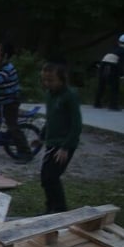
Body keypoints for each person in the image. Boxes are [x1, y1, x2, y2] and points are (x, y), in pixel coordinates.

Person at [40, 60, 83, 213]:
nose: (47, 83)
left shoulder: (70, 96)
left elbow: (76, 124)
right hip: (52, 143)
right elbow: (51, 118)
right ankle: (51, 207)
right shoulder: (49, 95)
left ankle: (59, 210)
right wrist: (41, 136)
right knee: (46, 178)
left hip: (63, 144)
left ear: (62, 79)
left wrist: (66, 147)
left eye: (51, 80)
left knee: (51, 177)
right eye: (44, 80)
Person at [94, 33, 124, 110]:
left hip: (103, 65)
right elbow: (121, 64)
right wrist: (122, 75)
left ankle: (97, 103)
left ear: (119, 41)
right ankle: (113, 106)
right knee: (114, 87)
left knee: (101, 86)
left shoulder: (113, 50)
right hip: (113, 67)